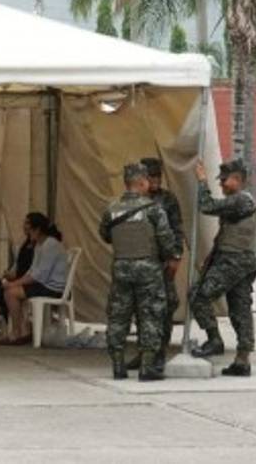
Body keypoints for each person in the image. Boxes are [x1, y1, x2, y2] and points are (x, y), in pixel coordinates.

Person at [101, 163, 181, 381]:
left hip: (121, 268)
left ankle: (118, 366)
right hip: (149, 270)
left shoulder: (112, 209)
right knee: (151, 315)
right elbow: (167, 242)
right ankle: (148, 368)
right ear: (142, 182)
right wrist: (170, 257)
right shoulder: (154, 209)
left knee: (118, 316)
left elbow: (106, 235)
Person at [190, 158, 256, 377]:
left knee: (198, 296)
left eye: (224, 180)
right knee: (239, 309)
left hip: (234, 262)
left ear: (238, 180)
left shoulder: (240, 200)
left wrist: (202, 181)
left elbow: (207, 206)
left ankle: (214, 340)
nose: (221, 184)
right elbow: (225, 236)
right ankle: (242, 360)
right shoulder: (239, 202)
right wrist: (211, 259)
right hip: (240, 261)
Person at [126, 157, 185, 371]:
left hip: (163, 261)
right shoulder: (132, 201)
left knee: (165, 306)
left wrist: (176, 257)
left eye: (158, 176)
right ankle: (144, 352)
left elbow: (177, 230)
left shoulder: (167, 200)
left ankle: (159, 353)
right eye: (151, 176)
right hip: (140, 261)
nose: (156, 180)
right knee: (140, 308)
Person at [0, 213, 69, 346]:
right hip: (44, 284)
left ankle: (17, 332)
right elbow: (32, 270)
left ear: (37, 229)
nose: (25, 229)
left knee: (10, 293)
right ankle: (22, 331)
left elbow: (39, 276)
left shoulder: (50, 245)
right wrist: (13, 283)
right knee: (11, 290)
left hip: (53, 288)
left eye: (28, 226)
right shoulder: (39, 244)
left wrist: (13, 284)